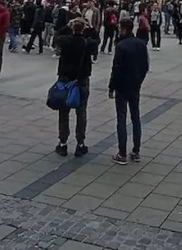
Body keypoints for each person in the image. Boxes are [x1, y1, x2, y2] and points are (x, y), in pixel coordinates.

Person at [53, 18, 98, 157]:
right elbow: (97, 41)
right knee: (81, 112)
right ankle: (80, 143)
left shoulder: (66, 41)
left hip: (65, 80)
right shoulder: (87, 43)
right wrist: (90, 28)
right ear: (83, 29)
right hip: (81, 80)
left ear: (72, 28)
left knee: (64, 112)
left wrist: (67, 26)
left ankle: (63, 143)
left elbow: (56, 37)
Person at [109, 17, 149, 165]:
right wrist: (139, 80)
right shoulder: (140, 44)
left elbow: (116, 68)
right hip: (135, 85)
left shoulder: (121, 46)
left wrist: (111, 86)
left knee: (121, 118)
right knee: (135, 117)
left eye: (120, 28)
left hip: (122, 86)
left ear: (124, 29)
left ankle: (122, 152)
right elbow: (145, 66)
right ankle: (136, 151)